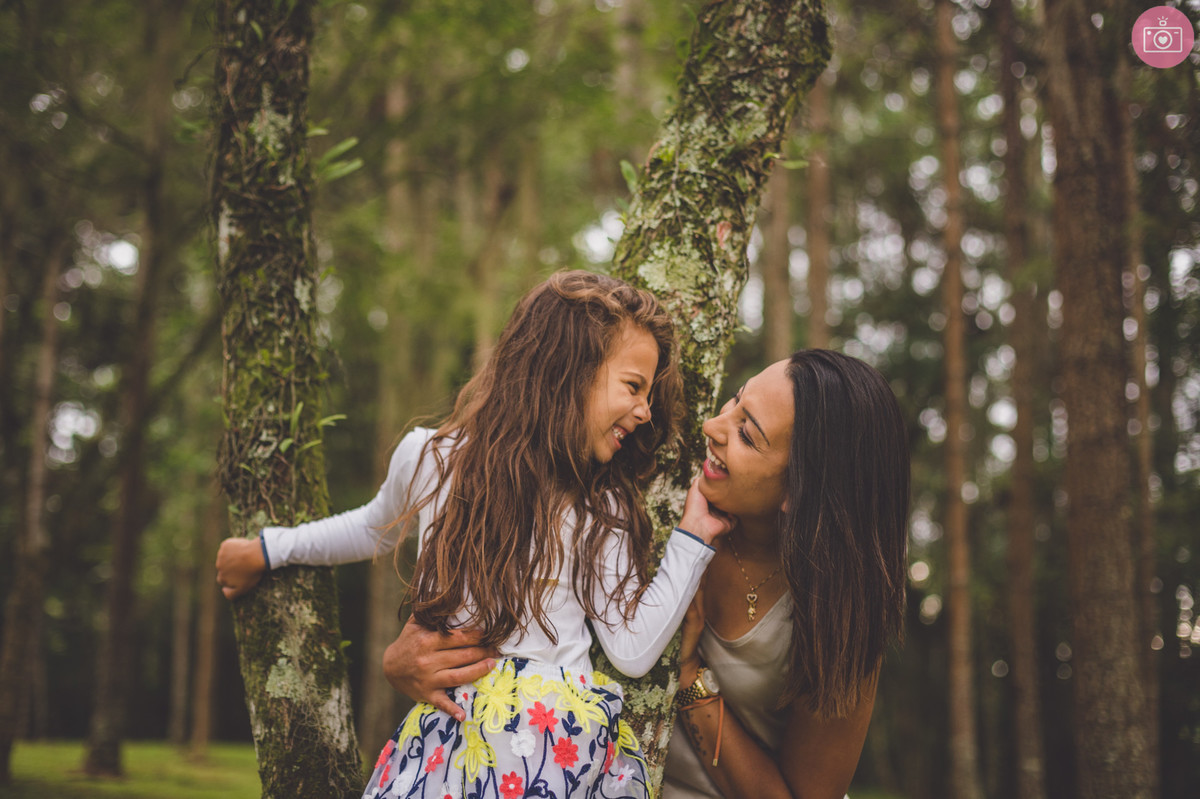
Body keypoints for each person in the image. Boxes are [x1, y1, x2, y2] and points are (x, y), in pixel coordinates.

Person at [215, 270, 733, 799]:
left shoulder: (602, 502)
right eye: (633, 386)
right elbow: (373, 527)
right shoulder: (432, 458)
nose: (645, 412)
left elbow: (630, 648)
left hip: (555, 754)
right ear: (568, 370)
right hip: (450, 747)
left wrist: (693, 537)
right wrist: (267, 549)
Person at [385, 349, 910, 799]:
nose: (713, 427)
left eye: (747, 435)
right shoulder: (651, 494)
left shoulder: (842, 616)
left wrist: (690, 681)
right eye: (735, 400)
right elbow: (522, 586)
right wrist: (408, 657)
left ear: (802, 491)